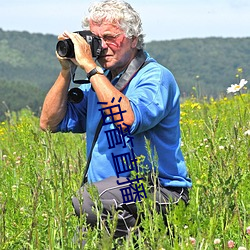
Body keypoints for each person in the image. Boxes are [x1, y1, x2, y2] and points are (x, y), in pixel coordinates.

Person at [40, 0, 192, 245]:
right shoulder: (98, 83)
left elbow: (127, 119)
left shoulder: (154, 77)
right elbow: (49, 122)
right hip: (110, 199)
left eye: (110, 37)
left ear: (133, 38)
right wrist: (66, 70)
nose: (102, 47)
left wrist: (90, 67)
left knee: (87, 200)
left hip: (158, 190)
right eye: (96, 39)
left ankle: (145, 238)